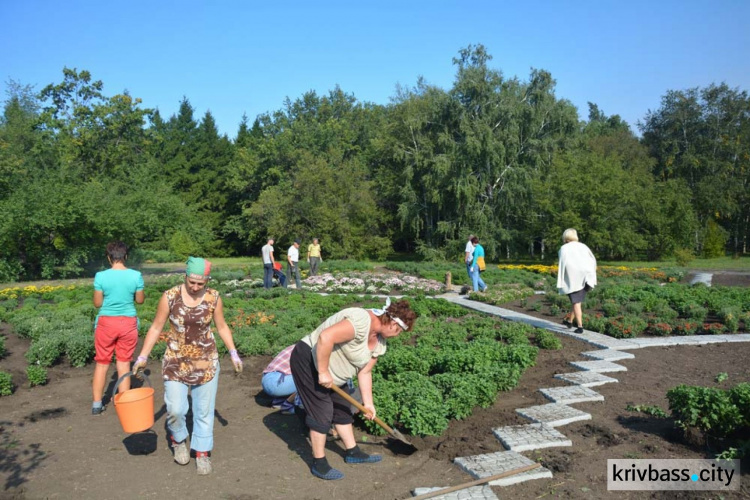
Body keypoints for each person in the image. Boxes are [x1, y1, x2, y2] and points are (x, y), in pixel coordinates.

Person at [132, 257, 243, 475]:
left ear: (207, 281)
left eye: (200, 284)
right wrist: (142, 357)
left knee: (203, 411)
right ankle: (178, 438)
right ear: (185, 277)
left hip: (206, 360)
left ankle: (202, 452)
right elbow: (156, 327)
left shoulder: (213, 298)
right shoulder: (170, 297)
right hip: (176, 360)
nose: (195, 287)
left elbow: (221, 327)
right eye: (191, 282)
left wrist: (233, 353)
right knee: (175, 409)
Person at [290, 298, 417, 480]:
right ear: (391, 322)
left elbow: (365, 372)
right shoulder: (360, 320)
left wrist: (369, 404)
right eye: (398, 331)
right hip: (309, 361)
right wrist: (323, 372)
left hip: (335, 373)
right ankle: (319, 463)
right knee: (322, 411)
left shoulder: (380, 343)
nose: (397, 335)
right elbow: (326, 337)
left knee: (342, 407)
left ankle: (353, 452)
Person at [91, 241, 145, 415]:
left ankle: (97, 404)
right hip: (128, 323)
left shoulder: (100, 276)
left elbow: (97, 303)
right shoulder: (136, 276)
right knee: (123, 363)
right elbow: (140, 300)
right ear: (126, 257)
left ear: (109, 258)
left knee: (102, 364)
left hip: (106, 323)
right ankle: (123, 404)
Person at [557, 228, 597, 334]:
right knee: (576, 301)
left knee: (576, 302)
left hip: (573, 279)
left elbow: (563, 263)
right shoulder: (584, 247)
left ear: (565, 237)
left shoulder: (564, 248)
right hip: (586, 277)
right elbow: (592, 260)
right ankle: (569, 321)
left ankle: (580, 327)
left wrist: (562, 279)